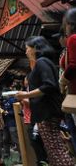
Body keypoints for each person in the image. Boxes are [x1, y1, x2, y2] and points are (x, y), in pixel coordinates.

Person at [16, 36, 73, 166]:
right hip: (45, 113)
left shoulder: (42, 62)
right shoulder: (43, 63)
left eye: (27, 48)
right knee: (53, 150)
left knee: (56, 150)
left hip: (47, 113)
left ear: (35, 48)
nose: (26, 52)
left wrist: (27, 94)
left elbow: (49, 85)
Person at [20, 77, 48, 165]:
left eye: (25, 79)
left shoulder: (33, 90)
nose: (24, 81)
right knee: (34, 143)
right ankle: (41, 161)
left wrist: (23, 98)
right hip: (30, 119)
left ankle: (42, 161)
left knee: (36, 142)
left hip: (34, 120)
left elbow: (33, 104)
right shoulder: (28, 90)